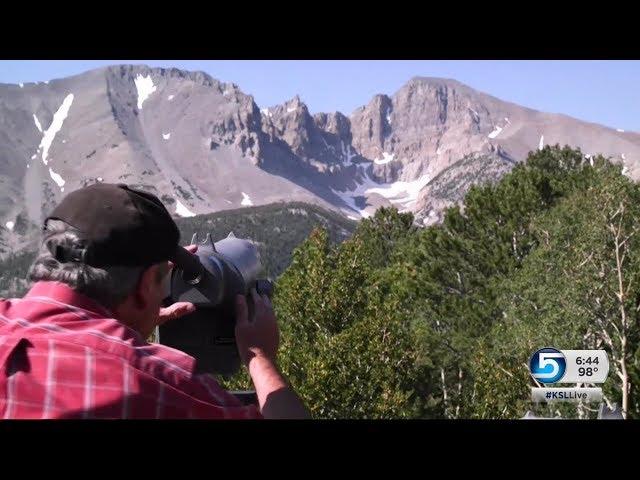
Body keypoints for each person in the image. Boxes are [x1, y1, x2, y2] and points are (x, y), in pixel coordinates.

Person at [0, 183, 310, 419]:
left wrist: (128, 322)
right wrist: (260, 358)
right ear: (145, 285)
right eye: (162, 280)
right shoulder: (162, 384)